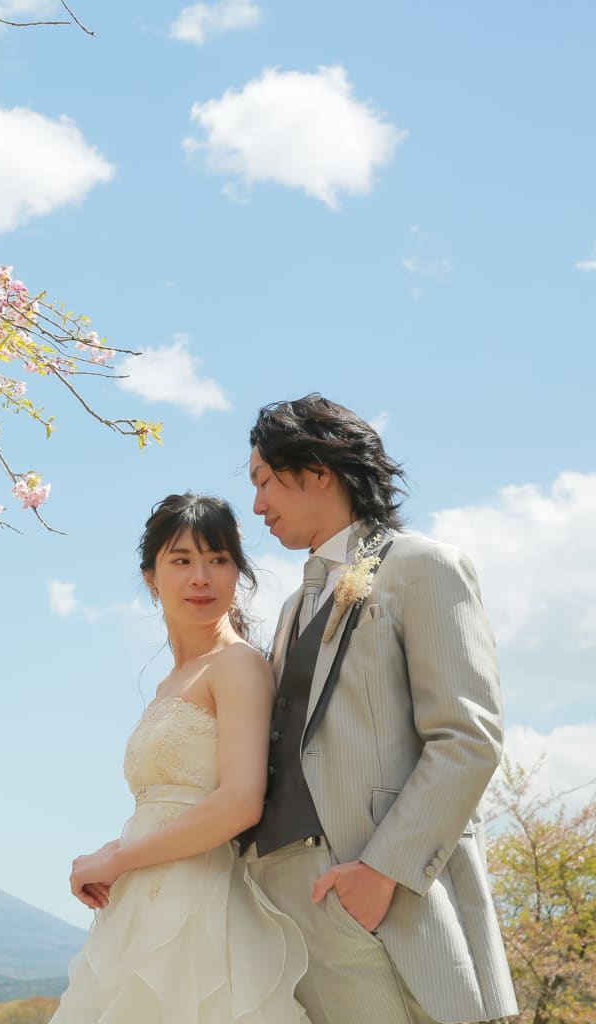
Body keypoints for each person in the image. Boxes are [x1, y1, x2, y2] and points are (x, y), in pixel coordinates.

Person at [242, 394, 518, 1024]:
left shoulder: (422, 567)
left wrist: (380, 871)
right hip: (283, 899)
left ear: (317, 471)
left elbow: (467, 737)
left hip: (377, 891)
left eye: (265, 481)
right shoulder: (292, 610)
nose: (257, 505)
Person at [50, 492, 309, 1024]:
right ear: (150, 576)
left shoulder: (238, 666)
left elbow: (239, 802)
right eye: (182, 561)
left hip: (201, 908)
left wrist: (118, 860)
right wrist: (109, 852)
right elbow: (168, 803)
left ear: (238, 573)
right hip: (143, 901)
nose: (201, 578)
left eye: (218, 560)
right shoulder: (171, 681)